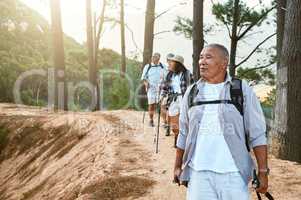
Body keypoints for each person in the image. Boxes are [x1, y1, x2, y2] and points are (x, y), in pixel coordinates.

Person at [173, 44, 269, 200]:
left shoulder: (240, 90)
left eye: (208, 57)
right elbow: (183, 132)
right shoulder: (191, 92)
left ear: (224, 63)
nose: (202, 62)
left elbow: (257, 134)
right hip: (198, 174)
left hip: (234, 175)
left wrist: (263, 172)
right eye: (201, 57)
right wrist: (177, 166)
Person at [160, 55, 194, 144]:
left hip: (184, 98)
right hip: (173, 99)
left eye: (172, 62)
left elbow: (193, 88)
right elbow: (165, 87)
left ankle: (180, 141)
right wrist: (162, 96)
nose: (170, 64)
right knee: (174, 121)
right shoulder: (169, 74)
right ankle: (176, 135)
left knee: (183, 120)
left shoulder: (187, 74)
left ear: (178, 64)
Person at [141, 53, 166, 127]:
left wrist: (164, 85)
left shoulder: (163, 67)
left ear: (159, 58)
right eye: (153, 57)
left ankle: (164, 122)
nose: (153, 58)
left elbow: (167, 77)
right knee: (151, 105)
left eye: (155, 57)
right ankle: (151, 120)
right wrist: (146, 83)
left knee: (162, 105)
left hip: (161, 88)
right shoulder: (148, 66)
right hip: (151, 89)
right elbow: (143, 78)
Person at [160, 53, 175, 134]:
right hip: (166, 91)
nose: (170, 61)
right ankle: (166, 123)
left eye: (171, 60)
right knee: (163, 106)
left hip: (174, 93)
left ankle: (168, 126)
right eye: (168, 60)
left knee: (169, 110)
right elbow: (163, 82)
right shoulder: (165, 70)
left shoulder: (176, 69)